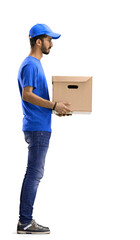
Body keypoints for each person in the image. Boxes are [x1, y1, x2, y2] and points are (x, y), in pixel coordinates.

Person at [17, 23, 71, 234]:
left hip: (39, 126)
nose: (52, 45)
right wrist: (54, 105)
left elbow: (35, 98)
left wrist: (55, 109)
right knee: (34, 174)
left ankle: (25, 220)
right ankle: (25, 222)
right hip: (37, 128)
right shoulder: (31, 64)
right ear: (38, 41)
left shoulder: (35, 64)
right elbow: (27, 95)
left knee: (34, 173)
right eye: (49, 40)